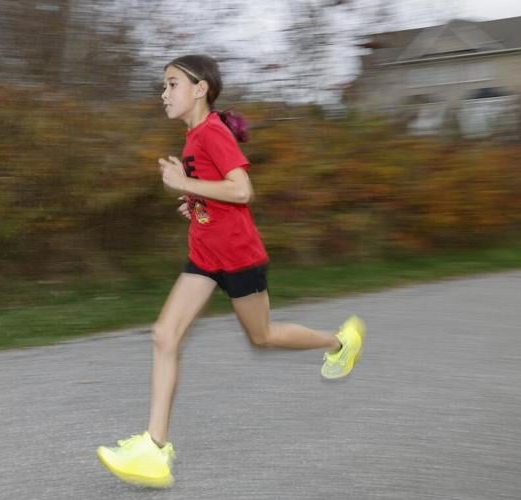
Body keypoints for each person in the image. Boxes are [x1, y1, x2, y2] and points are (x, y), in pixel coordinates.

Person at [96, 54, 366, 488]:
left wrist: (184, 185)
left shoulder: (212, 133)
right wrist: (196, 203)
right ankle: (154, 449)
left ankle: (340, 342)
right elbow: (217, 192)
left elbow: (242, 190)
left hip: (239, 257)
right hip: (204, 256)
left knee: (263, 336)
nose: (163, 94)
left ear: (200, 88)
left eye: (171, 84)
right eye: (162, 86)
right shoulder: (192, 140)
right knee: (165, 335)